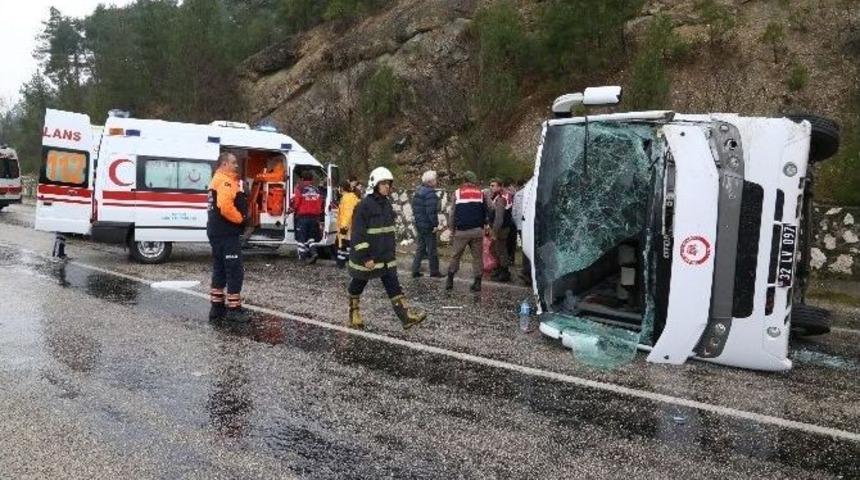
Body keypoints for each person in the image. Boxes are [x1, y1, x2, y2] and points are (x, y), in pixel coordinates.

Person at [348, 167, 426, 330]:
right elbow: (358, 234)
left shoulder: (386, 204)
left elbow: (387, 231)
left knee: (393, 284)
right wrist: (365, 257)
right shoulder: (363, 206)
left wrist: (391, 251)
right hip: (368, 257)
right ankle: (353, 312)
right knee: (359, 283)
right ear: (375, 184)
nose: (387, 187)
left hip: (385, 256)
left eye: (388, 184)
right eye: (383, 183)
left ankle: (405, 317)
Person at [207, 152, 249, 322]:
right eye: (233, 162)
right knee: (234, 270)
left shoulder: (216, 180)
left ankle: (216, 307)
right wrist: (240, 219)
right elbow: (225, 206)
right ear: (224, 164)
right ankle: (234, 309)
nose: (236, 165)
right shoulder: (224, 180)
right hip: (226, 233)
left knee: (220, 269)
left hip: (216, 232)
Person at [445, 171, 487, 292]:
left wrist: (452, 229)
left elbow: (452, 213)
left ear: (464, 180)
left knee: (456, 256)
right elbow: (490, 208)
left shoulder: (457, 193)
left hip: (461, 231)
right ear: (474, 181)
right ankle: (478, 283)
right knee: (477, 257)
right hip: (477, 231)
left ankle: (450, 280)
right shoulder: (481, 193)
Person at [411, 170, 442, 278]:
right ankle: (434, 271)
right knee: (432, 249)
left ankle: (415, 270)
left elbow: (414, 209)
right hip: (428, 225)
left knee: (420, 247)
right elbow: (431, 212)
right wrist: (435, 225)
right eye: (435, 179)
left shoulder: (418, 191)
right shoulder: (430, 194)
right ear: (430, 181)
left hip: (419, 224)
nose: (436, 181)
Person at [291, 169, 324, 263]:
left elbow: (296, 202)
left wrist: (291, 210)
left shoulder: (299, 188)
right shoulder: (316, 190)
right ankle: (314, 252)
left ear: (301, 179)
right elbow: (320, 203)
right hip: (314, 217)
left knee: (301, 237)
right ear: (312, 179)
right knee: (310, 237)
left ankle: (302, 257)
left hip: (303, 217)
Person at [488, 178, 513, 282]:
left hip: (501, 229)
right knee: (496, 249)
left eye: (494, 185)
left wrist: (494, 232)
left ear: (499, 186)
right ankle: (499, 268)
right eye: (491, 185)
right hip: (503, 227)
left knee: (500, 250)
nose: (491, 187)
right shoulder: (502, 195)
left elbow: (499, 218)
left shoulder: (501, 199)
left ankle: (505, 272)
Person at [336, 180, 360, 269]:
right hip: (351, 226)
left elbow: (347, 213)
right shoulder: (351, 197)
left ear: (341, 188)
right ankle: (342, 263)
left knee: (344, 246)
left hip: (347, 227)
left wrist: (344, 227)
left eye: (339, 188)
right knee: (346, 246)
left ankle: (341, 263)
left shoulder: (347, 198)